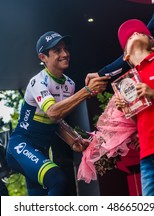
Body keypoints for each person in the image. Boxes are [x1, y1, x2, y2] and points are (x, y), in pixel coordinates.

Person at [6, 31, 109, 196]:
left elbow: (56, 121)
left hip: (40, 151)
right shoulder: (37, 82)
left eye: (65, 49)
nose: (65, 54)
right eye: (57, 51)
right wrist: (87, 91)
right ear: (43, 57)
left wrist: (72, 140)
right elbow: (53, 112)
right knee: (57, 180)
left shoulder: (70, 84)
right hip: (21, 146)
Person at [115, 19, 154, 196]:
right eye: (129, 37)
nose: (134, 33)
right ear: (126, 56)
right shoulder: (127, 83)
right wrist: (127, 110)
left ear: (153, 43)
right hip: (147, 154)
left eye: (140, 32)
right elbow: (139, 118)